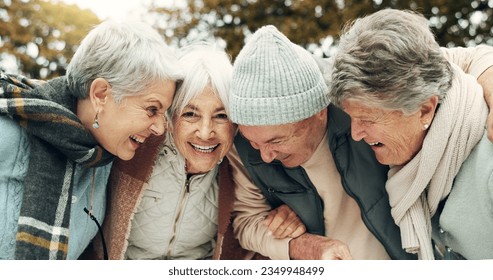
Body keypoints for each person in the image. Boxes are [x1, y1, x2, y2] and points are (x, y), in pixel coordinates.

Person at [227, 25, 493, 260]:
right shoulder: (241, 142)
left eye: (277, 140)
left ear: (319, 110)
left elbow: (450, 64)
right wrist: (297, 244)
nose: (264, 157)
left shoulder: (353, 87)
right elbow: (247, 221)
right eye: (253, 142)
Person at [89, 43, 305, 260]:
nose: (205, 132)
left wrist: (289, 216)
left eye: (221, 116)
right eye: (191, 114)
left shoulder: (243, 164)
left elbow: (254, 226)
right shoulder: (133, 149)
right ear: (171, 118)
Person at [0, 20, 182, 260]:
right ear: (100, 95)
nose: (160, 128)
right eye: (151, 109)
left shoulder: (103, 155)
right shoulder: (8, 134)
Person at [329, 8, 493, 260]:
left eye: (367, 119)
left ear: (425, 109)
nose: (356, 134)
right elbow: (438, 59)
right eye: (352, 118)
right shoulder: (424, 155)